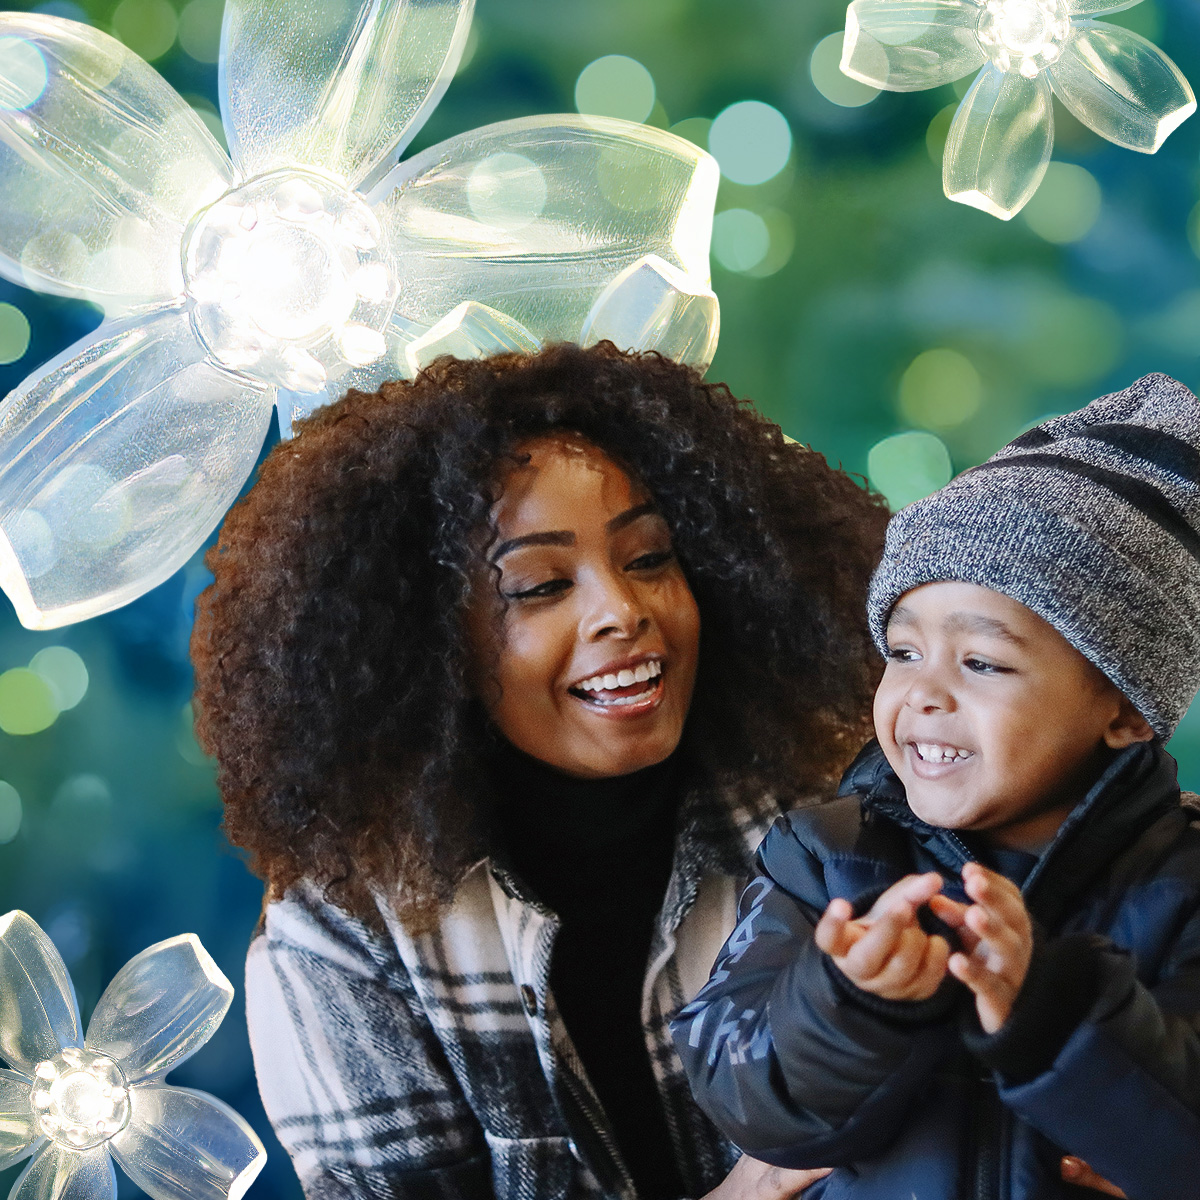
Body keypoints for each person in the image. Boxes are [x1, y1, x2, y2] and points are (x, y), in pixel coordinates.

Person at [189, 342, 891, 1200]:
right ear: (426, 643)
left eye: (648, 559)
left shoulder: (827, 820)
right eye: (539, 586)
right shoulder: (345, 939)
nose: (621, 610)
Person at [672, 372, 1200, 1200]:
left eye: (981, 662)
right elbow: (742, 1092)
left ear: (1127, 711)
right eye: (905, 652)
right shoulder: (828, 860)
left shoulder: (1185, 891)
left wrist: (1051, 1007)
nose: (923, 693)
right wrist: (853, 1000)